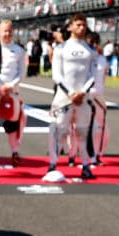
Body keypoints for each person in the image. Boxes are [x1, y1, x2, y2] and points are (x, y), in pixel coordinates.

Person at [45, 15, 96, 181]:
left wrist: (82, 92)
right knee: (59, 132)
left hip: (83, 99)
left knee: (82, 134)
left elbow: (93, 75)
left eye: (84, 25)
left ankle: (86, 166)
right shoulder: (61, 49)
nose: (82, 28)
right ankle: (53, 164)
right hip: (64, 98)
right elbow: (56, 75)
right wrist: (70, 93)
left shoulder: (91, 50)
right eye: (78, 25)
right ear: (70, 27)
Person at [0, 19, 28, 166]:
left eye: (9, 30)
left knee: (12, 125)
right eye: (4, 30)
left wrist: (10, 86)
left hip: (12, 92)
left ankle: (15, 151)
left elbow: (21, 73)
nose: (7, 33)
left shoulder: (19, 51)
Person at [84, 30, 109, 165]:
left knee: (103, 130)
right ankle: (75, 156)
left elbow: (104, 76)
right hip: (85, 96)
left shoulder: (102, 59)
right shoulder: (83, 58)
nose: (93, 45)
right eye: (90, 43)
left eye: (95, 43)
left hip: (98, 96)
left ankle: (97, 155)